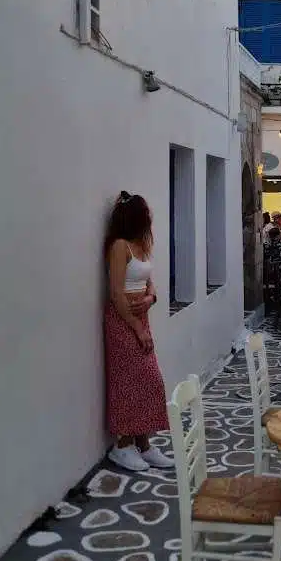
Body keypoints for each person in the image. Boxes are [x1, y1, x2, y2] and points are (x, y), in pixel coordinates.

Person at [103, 192, 173, 472]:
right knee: (127, 381)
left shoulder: (141, 245)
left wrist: (150, 299)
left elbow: (150, 283)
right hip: (123, 321)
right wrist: (136, 328)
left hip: (141, 317)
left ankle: (143, 444)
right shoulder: (120, 246)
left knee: (148, 381)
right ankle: (123, 445)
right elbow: (116, 293)